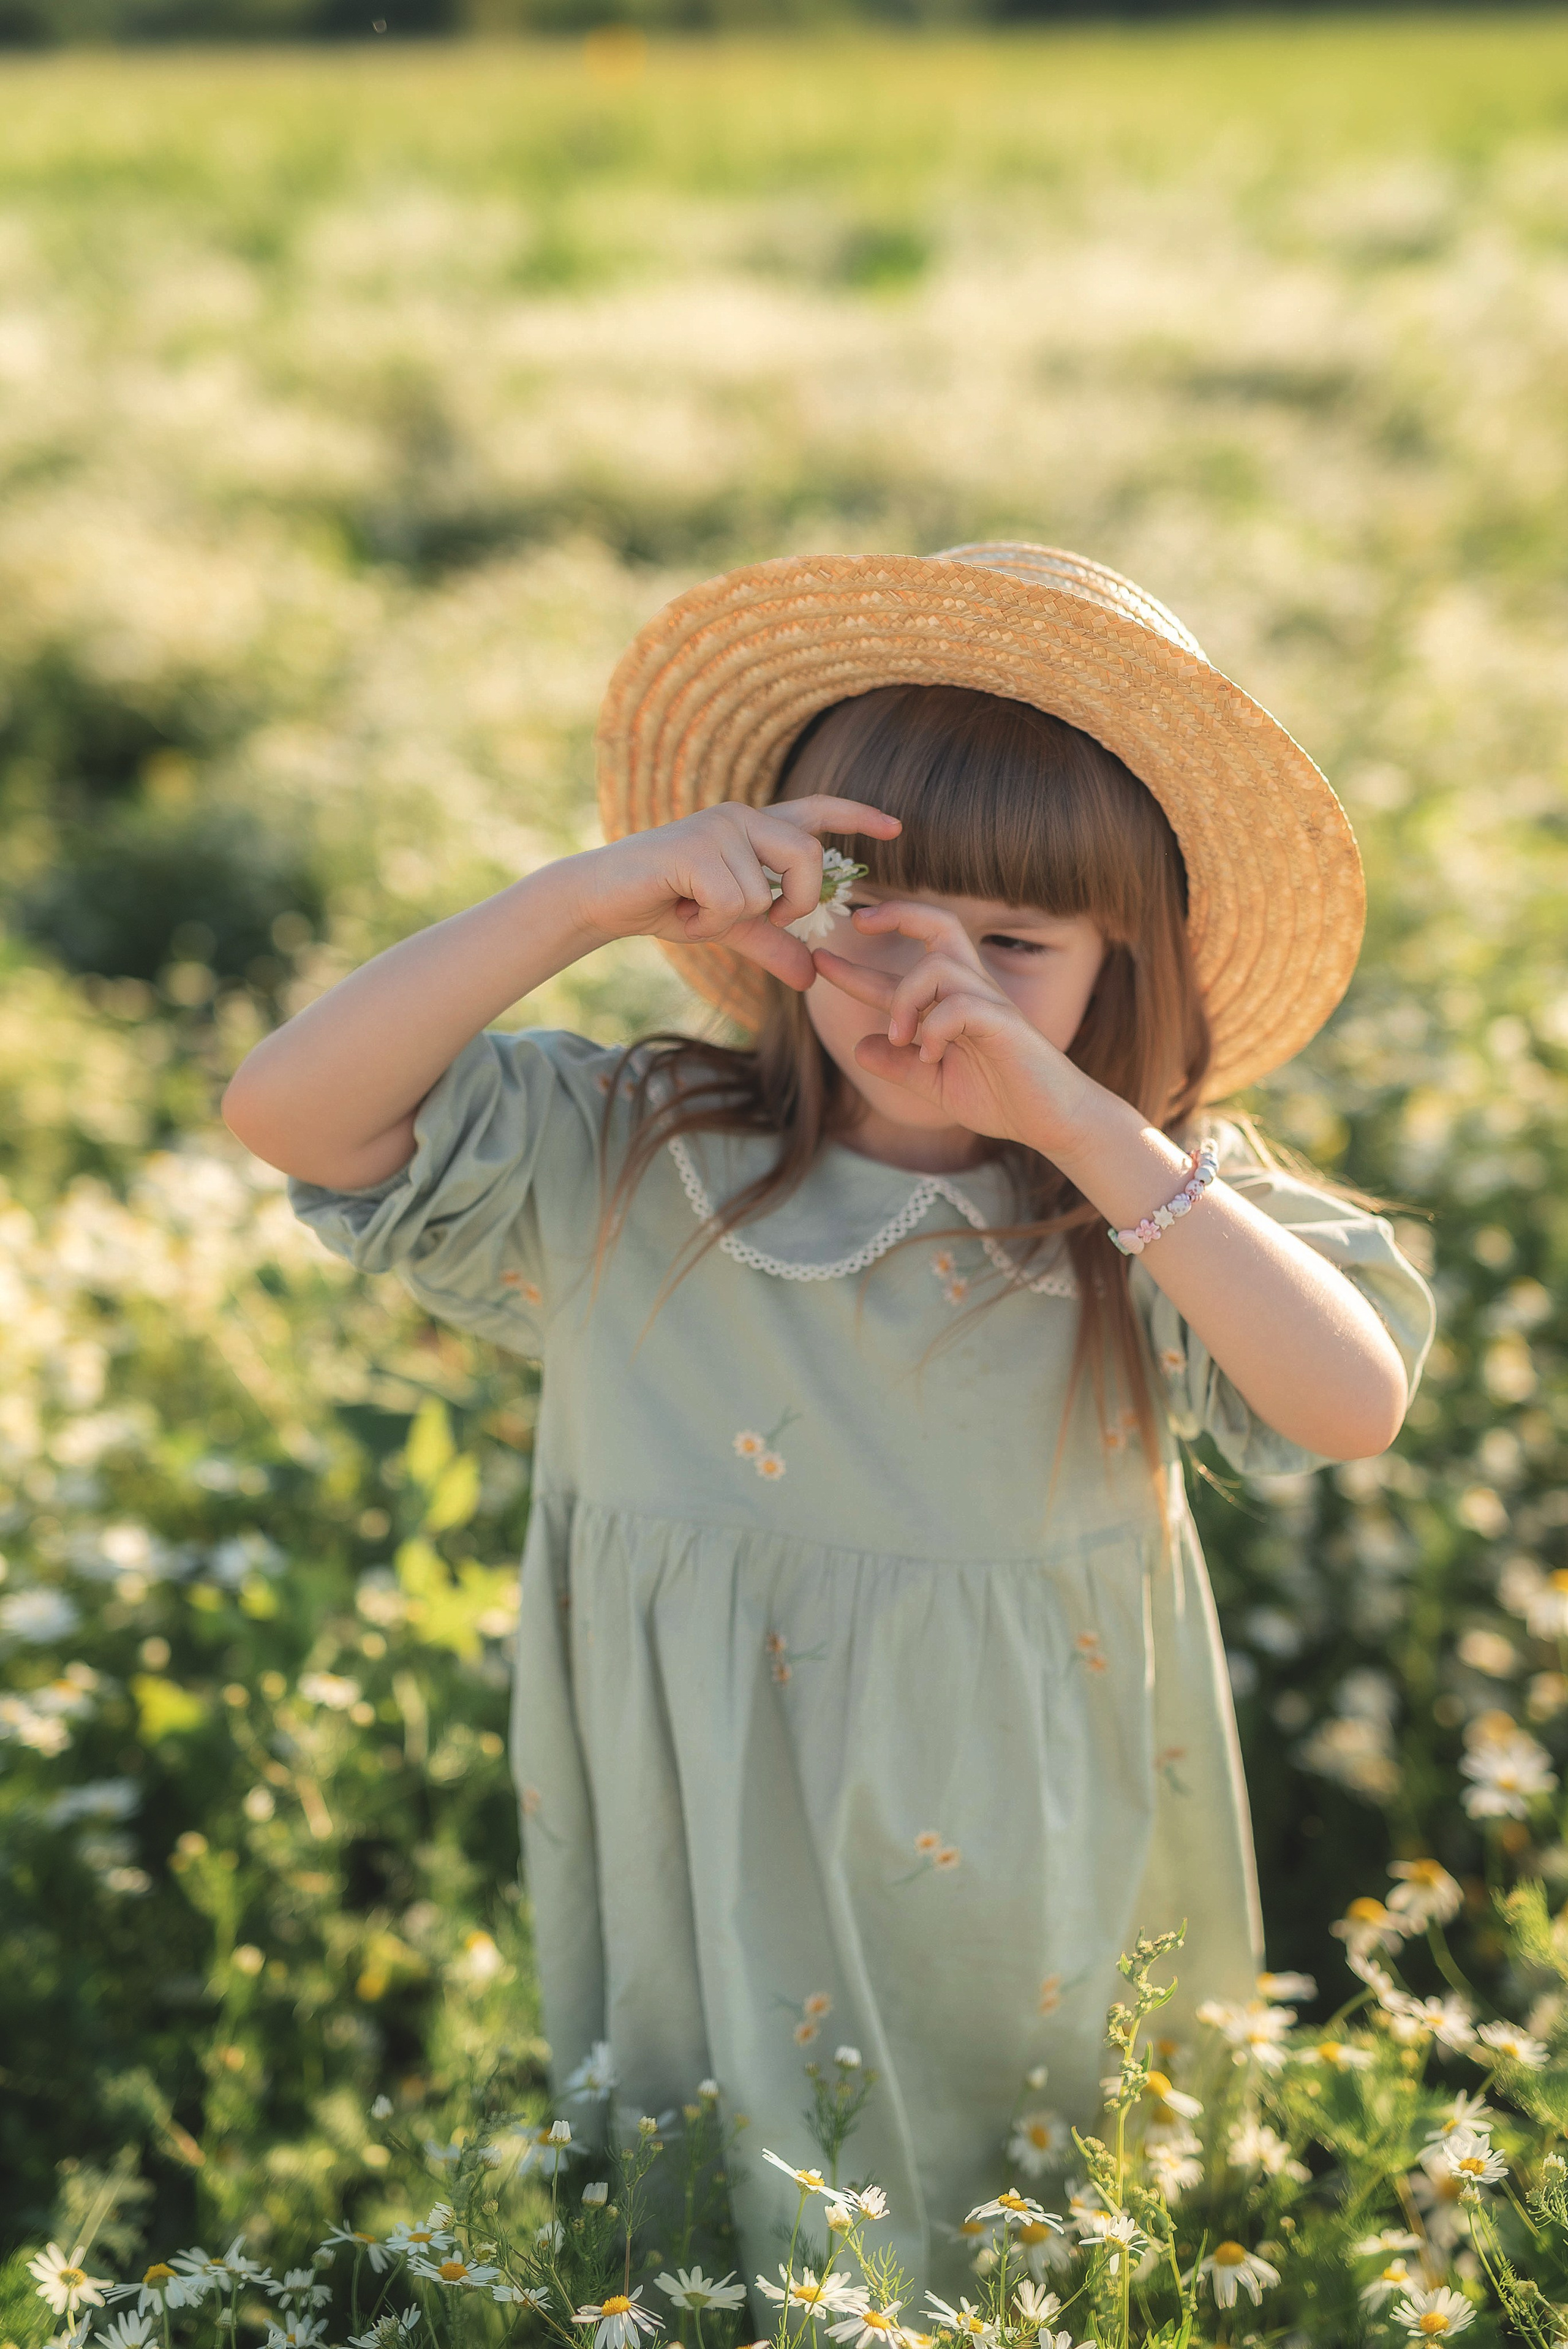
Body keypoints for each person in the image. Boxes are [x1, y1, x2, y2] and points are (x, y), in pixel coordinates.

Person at [223, 543, 1434, 2295]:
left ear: (1125, 970)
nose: (927, 990)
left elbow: (1349, 1404)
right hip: (715, 1840)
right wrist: (582, 901)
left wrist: (1088, 1127)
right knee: (739, 2249)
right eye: (878, 920)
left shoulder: (1138, 1211)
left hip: (1023, 1856)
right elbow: (292, 1114)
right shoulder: (636, 1147)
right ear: (791, 915)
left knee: (1044, 2231)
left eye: (1015, 945)